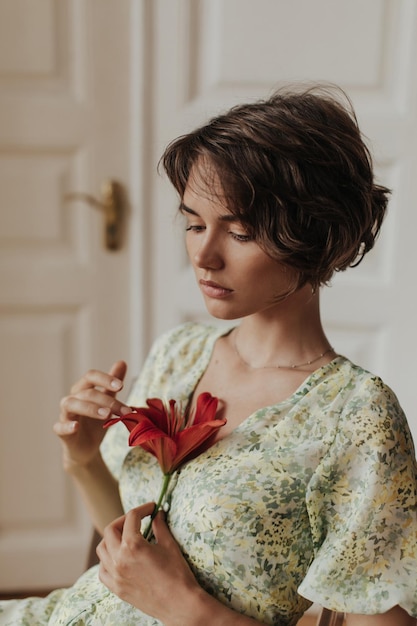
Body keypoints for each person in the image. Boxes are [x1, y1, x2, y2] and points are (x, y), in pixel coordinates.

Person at [1, 84, 416, 626]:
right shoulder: (180, 353)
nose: (203, 254)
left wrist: (188, 610)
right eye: (195, 223)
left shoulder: (355, 417)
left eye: (240, 232)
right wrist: (82, 459)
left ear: (321, 240)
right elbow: (127, 557)